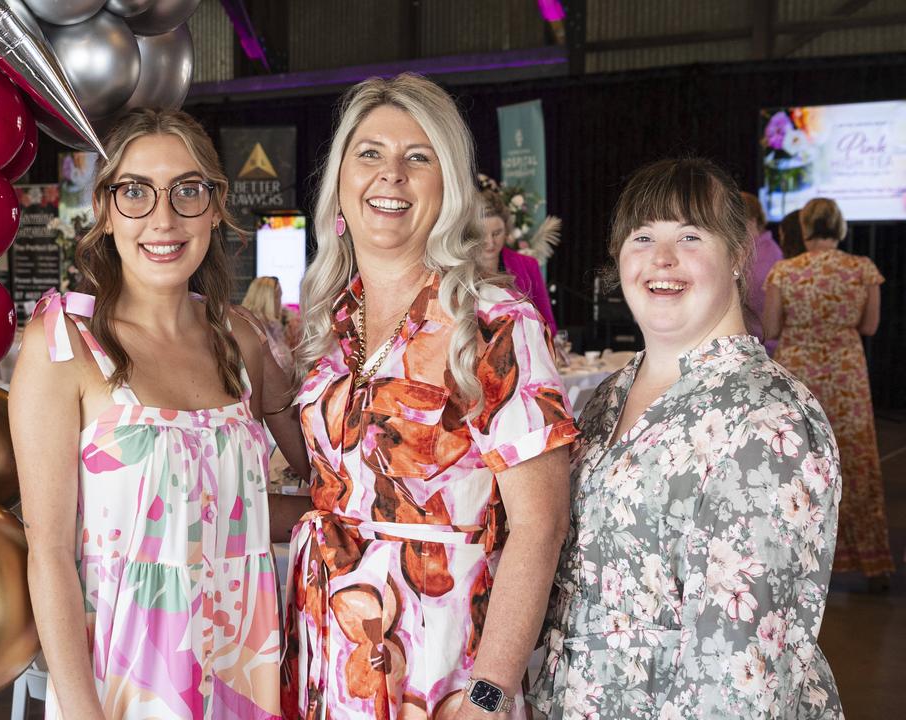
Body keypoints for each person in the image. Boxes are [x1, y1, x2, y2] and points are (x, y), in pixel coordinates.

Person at [281, 73, 577, 720]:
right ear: (340, 182)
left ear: (447, 187)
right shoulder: (327, 328)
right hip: (329, 650)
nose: (391, 175)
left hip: (444, 666)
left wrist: (490, 693)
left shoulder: (494, 322)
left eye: (418, 158)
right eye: (370, 154)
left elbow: (541, 523)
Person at [10, 108, 307, 720]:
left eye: (187, 191)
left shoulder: (241, 339)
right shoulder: (65, 342)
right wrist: (83, 710)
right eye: (136, 192)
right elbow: (49, 554)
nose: (163, 219)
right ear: (106, 208)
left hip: (241, 665)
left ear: (216, 205)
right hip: (127, 680)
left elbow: (279, 492)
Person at [531, 159, 843, 718]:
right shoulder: (606, 398)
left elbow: (740, 668)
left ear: (738, 256)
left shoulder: (768, 418)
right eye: (643, 236)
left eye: (690, 236)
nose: (662, 258)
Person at [764, 197, 893, 588]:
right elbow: (869, 326)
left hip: (799, 375)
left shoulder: (785, 272)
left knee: (797, 465)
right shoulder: (862, 270)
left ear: (804, 228)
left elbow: (770, 328)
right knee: (855, 461)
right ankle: (873, 564)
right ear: (839, 227)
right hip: (846, 374)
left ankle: (792, 562)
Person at [476, 189, 558, 335]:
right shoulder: (459, 269)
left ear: (507, 230)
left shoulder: (528, 265)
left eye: (496, 233)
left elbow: (549, 323)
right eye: (482, 235)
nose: (490, 242)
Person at [740, 192, 783, 355]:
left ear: (752, 221)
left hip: (761, 348)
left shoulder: (767, 254)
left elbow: (747, 297)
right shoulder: (755, 250)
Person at [241, 276, 294, 370]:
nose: (281, 302)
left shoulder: (273, 326)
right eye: (278, 297)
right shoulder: (252, 326)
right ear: (267, 299)